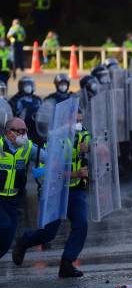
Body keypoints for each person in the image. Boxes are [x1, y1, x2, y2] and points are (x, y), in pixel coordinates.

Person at [12, 109, 90, 277]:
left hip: (76, 190)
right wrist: (75, 173)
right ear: (65, 121)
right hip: (56, 190)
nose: (77, 125)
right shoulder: (53, 139)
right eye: (74, 121)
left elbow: (101, 147)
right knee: (49, 233)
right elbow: (51, 170)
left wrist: (92, 148)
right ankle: (24, 241)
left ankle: (67, 263)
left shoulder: (83, 134)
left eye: (80, 121)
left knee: (81, 224)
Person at [0, 117, 47, 261]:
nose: (24, 135)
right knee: (5, 227)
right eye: (20, 131)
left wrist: (42, 170)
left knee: (8, 239)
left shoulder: (27, 147)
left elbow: (48, 158)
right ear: (9, 133)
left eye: (25, 131)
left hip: (13, 200)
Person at [9, 76, 43, 145]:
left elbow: (44, 112)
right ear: (21, 86)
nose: (29, 87)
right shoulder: (15, 100)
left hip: (37, 130)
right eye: (26, 85)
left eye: (30, 85)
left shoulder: (38, 99)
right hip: (21, 132)